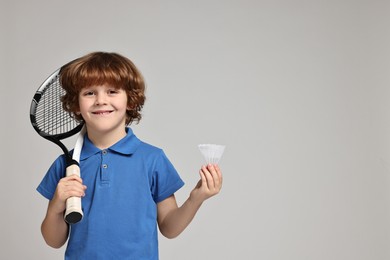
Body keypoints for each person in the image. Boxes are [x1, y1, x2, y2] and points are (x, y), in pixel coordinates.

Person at [37, 52, 223, 259]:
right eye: (89, 93)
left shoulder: (153, 159)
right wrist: (56, 206)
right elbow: (54, 241)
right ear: (76, 105)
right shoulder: (65, 165)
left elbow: (169, 228)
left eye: (112, 91)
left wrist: (196, 198)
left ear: (131, 101)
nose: (100, 100)